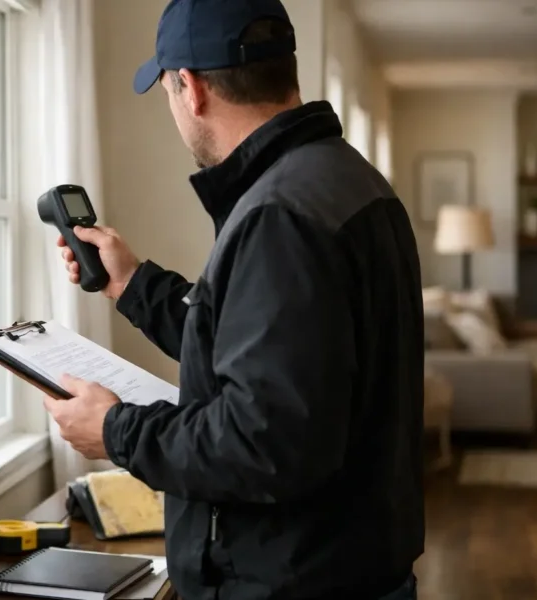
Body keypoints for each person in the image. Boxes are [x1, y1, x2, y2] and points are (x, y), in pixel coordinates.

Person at [42, 0, 425, 599]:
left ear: (190, 89)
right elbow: (263, 349)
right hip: (350, 564)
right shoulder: (344, 180)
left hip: (294, 582)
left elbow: (263, 440)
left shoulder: (279, 215)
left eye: (167, 92)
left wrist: (116, 431)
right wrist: (131, 283)